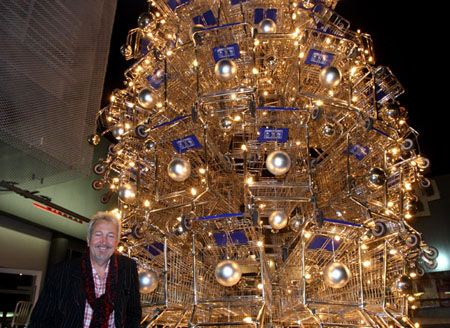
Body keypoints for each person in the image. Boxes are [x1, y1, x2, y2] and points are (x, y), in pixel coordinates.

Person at [28, 211, 142, 328]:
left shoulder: (128, 268)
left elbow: (133, 314)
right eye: (98, 234)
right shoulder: (63, 272)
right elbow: (40, 320)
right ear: (88, 240)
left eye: (111, 236)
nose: (104, 241)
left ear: (117, 242)